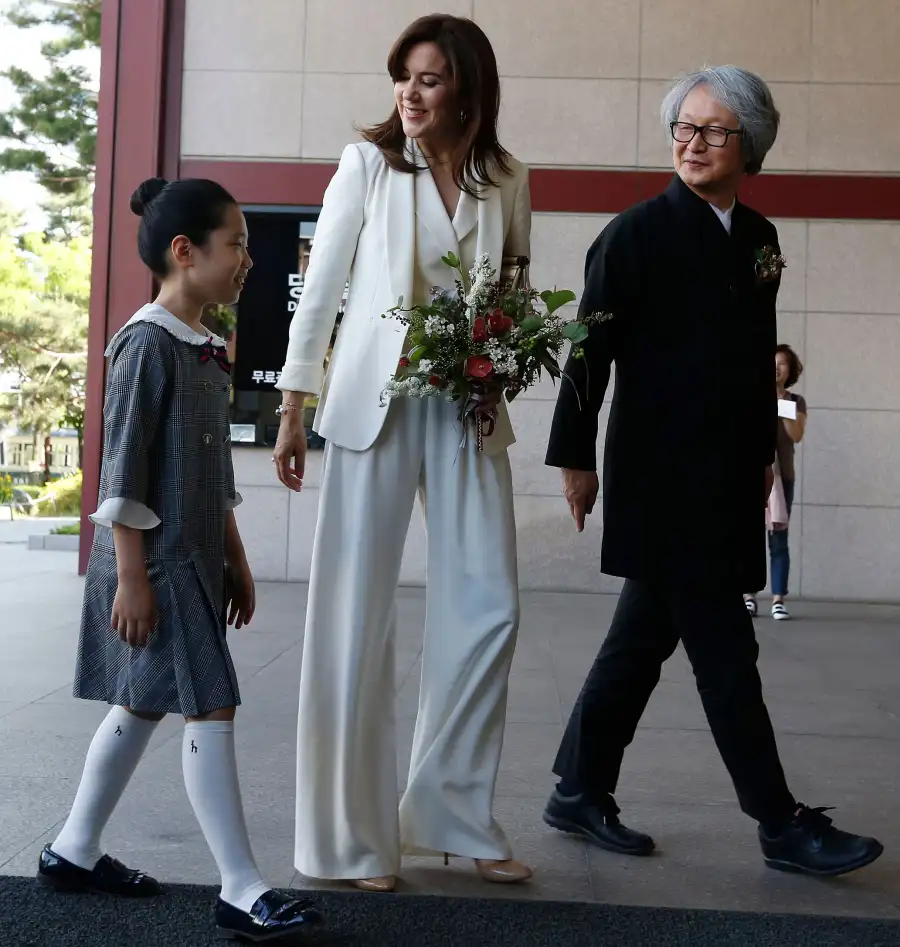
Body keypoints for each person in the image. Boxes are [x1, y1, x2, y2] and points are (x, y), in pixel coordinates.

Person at [541, 67, 883, 877]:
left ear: (751, 143)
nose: (692, 144)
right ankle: (779, 821)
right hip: (663, 477)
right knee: (727, 652)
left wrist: (765, 449)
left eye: (714, 131)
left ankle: (578, 788)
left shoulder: (760, 238)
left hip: (730, 470)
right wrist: (574, 456)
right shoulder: (633, 235)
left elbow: (750, 360)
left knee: (638, 643)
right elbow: (588, 353)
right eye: (683, 129)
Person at [273, 14, 532, 892]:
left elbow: (515, 287)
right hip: (372, 407)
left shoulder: (507, 178)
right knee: (354, 615)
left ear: (467, 88)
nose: (410, 94)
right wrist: (294, 400)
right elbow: (325, 287)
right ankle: (350, 840)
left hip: (465, 409)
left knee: (489, 604)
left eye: (429, 79)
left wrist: (507, 357)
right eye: (403, 77)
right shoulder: (368, 167)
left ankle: (453, 815)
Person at [37, 178, 322, 940]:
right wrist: (129, 576)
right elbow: (122, 472)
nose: (248, 261)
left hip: (192, 562)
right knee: (211, 702)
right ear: (183, 251)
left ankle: (71, 849)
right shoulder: (145, 345)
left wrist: (236, 556)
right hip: (152, 566)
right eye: (237, 244)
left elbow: (210, 474)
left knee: (143, 702)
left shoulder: (203, 346)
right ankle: (241, 886)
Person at [745, 344, 807, 621]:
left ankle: (778, 599)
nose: (777, 367)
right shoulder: (753, 395)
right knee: (749, 537)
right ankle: (748, 595)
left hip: (784, 479)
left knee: (778, 539)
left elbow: (796, 435)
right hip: (752, 475)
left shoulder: (795, 401)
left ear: (790, 370)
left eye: (783, 363)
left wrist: (780, 403)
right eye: (773, 362)